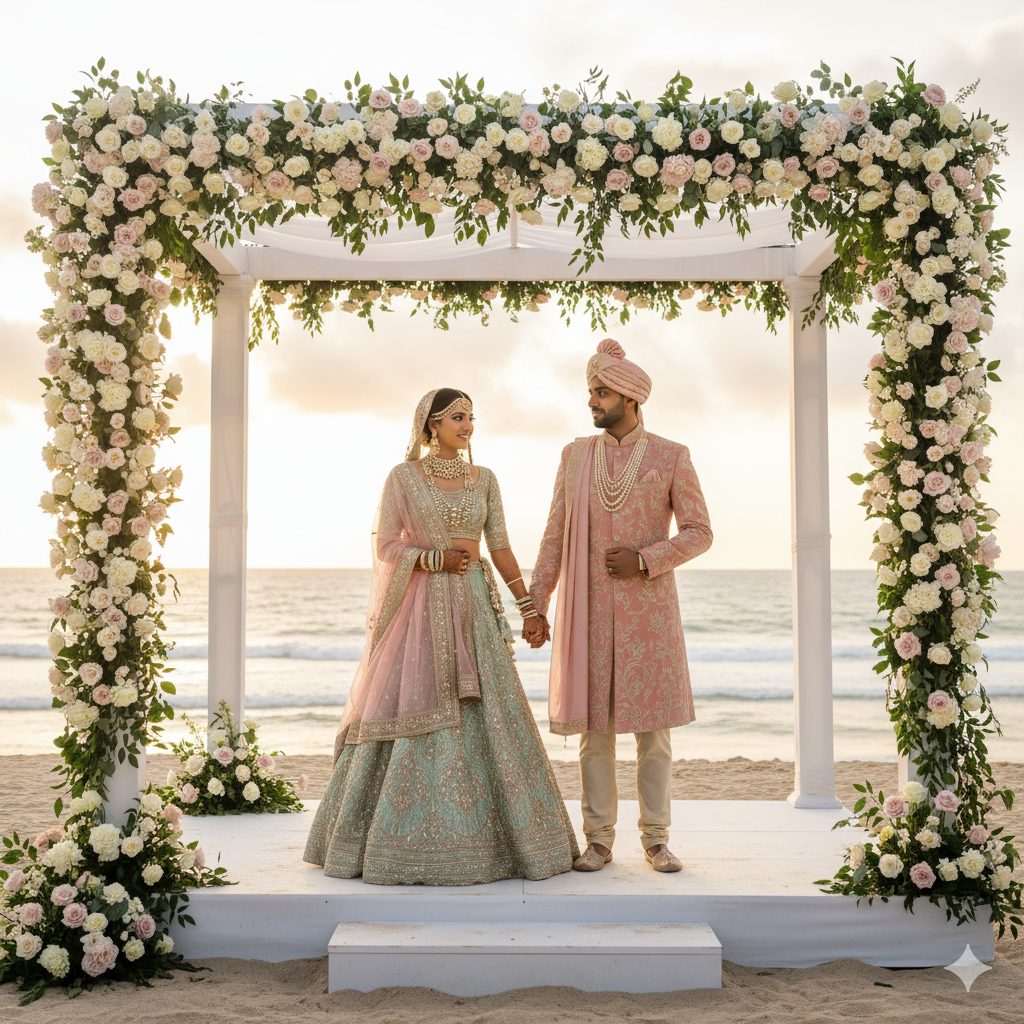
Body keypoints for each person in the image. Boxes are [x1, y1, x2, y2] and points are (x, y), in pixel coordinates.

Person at [304, 388, 579, 885]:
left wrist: (530, 607)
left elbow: (500, 547)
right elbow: (386, 543)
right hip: (421, 608)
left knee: (490, 710)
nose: (468, 426)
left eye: (472, 418)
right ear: (431, 425)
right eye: (457, 417)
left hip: (473, 603)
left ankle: (504, 841)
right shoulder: (403, 478)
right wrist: (433, 559)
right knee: (411, 699)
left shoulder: (485, 479)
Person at [530, 340, 713, 873]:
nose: (593, 400)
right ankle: (599, 840)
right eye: (591, 390)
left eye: (602, 391)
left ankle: (656, 838)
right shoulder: (574, 456)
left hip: (648, 617)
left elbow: (700, 532)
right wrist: (536, 604)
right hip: (587, 615)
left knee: (654, 736)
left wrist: (646, 558)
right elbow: (553, 537)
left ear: (631, 399)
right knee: (595, 736)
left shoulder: (670, 456)